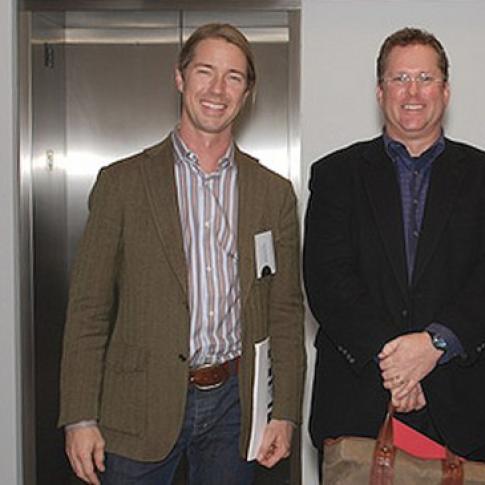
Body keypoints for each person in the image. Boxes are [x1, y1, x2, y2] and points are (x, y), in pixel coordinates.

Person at [58, 23, 305, 485]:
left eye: (234, 77)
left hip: (236, 406)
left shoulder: (272, 193)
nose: (217, 89)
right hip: (137, 404)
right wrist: (79, 417)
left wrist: (284, 412)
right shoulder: (122, 184)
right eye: (205, 72)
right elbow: (88, 309)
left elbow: (285, 313)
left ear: (247, 92)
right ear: (180, 78)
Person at [304, 27, 485, 467]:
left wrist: (434, 346)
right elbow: (327, 279)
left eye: (425, 78)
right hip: (357, 404)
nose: (412, 92)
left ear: (445, 90)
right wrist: (399, 364)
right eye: (399, 79)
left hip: (459, 409)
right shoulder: (335, 174)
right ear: (380, 91)